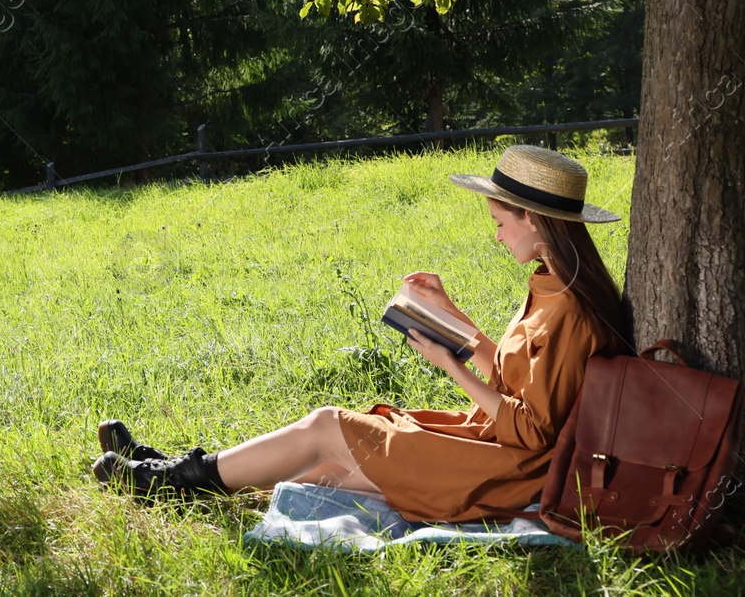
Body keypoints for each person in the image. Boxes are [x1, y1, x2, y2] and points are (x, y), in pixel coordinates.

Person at [91, 144, 632, 522]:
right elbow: (515, 374)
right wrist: (453, 316)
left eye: (499, 222)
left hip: (512, 468)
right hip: (494, 446)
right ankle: (168, 479)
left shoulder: (571, 310)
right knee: (326, 465)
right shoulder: (551, 283)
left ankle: (171, 478)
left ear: (534, 222)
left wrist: (451, 368)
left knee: (329, 427)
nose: (495, 236)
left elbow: (533, 431)